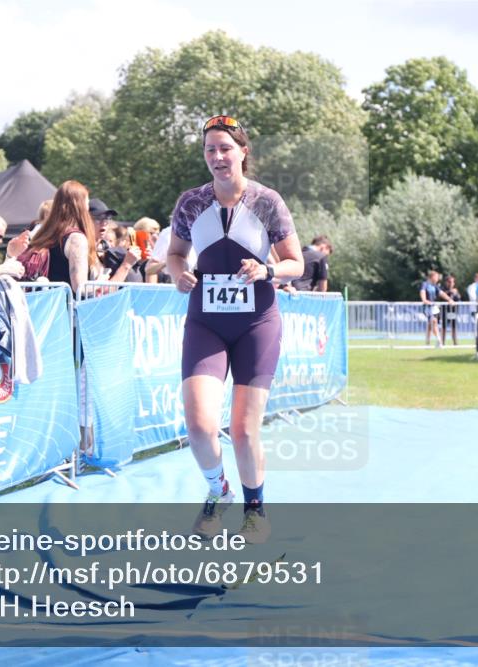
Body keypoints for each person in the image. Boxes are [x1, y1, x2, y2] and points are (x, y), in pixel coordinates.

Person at [167, 114, 303, 543]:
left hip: (256, 324)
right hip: (206, 322)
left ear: (243, 151)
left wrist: (266, 269)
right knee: (200, 425)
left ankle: (255, 509)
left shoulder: (267, 201)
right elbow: (174, 253)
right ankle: (217, 490)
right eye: (210, 149)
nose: (218, 156)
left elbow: (295, 263)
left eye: (226, 148)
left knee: (244, 430)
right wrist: (177, 273)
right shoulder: (191, 202)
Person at [24, 180, 124, 293]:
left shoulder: (47, 232)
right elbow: (80, 288)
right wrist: (100, 282)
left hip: (43, 304)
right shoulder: (76, 238)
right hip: (65, 307)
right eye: (87, 202)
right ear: (80, 206)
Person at [419, 270, 444, 347]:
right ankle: (439, 341)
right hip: (427, 308)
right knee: (433, 322)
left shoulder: (435, 285)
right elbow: (422, 291)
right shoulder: (425, 284)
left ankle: (427, 342)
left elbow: (442, 293)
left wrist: (450, 299)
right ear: (432, 277)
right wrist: (424, 299)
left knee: (431, 325)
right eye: (436, 277)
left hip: (433, 307)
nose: (437, 278)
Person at [440, 274, 461, 345]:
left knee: (454, 327)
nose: (451, 283)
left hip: (453, 311)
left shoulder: (455, 290)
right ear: (446, 282)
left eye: (452, 282)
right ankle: (442, 342)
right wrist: (449, 292)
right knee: (444, 327)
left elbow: (458, 299)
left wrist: (456, 294)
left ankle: (455, 342)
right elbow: (440, 297)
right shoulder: (442, 290)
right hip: (444, 311)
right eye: (449, 282)